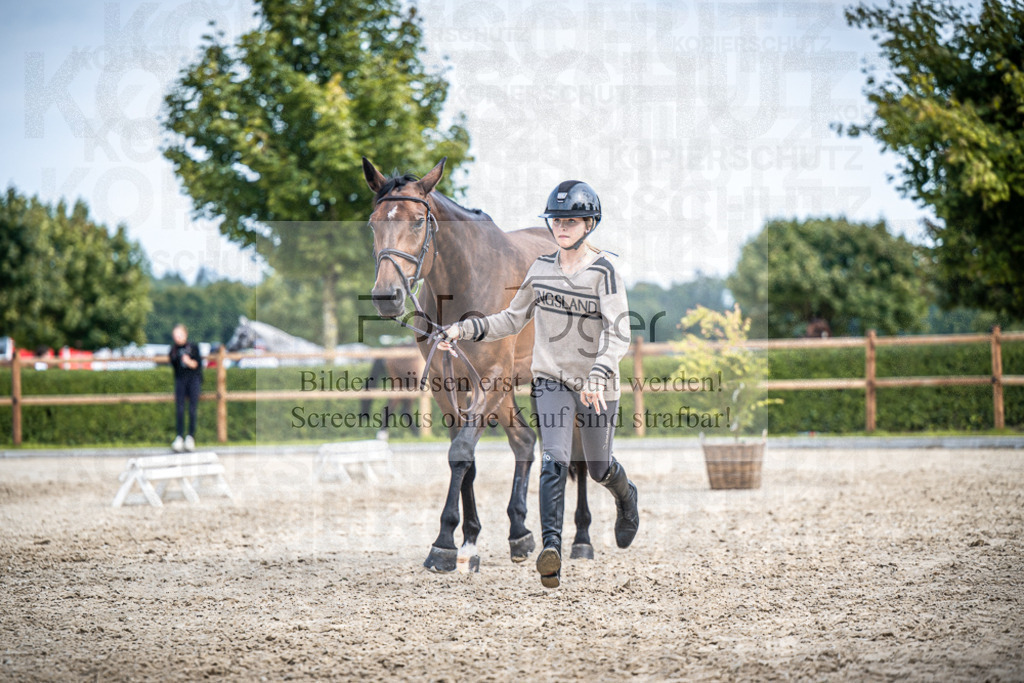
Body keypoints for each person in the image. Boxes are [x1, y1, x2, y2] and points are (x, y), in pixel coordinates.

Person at [438, 180, 639, 588]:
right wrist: (465, 328)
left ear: (589, 224)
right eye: (556, 220)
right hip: (551, 383)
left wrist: (599, 374)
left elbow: (619, 333)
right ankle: (551, 551)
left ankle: (627, 496)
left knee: (599, 467)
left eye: (570, 221)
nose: (561, 227)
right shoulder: (541, 269)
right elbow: (511, 319)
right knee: (553, 462)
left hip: (597, 386)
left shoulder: (604, 271)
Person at [169, 324, 203, 452]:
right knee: (180, 409)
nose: (177, 338)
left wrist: (189, 362)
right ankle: (179, 437)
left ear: (185, 334)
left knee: (193, 409)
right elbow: (174, 366)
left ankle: (190, 437)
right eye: (175, 335)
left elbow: (198, 365)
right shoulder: (173, 350)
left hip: (193, 380)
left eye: (180, 334)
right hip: (180, 380)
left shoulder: (193, 347)